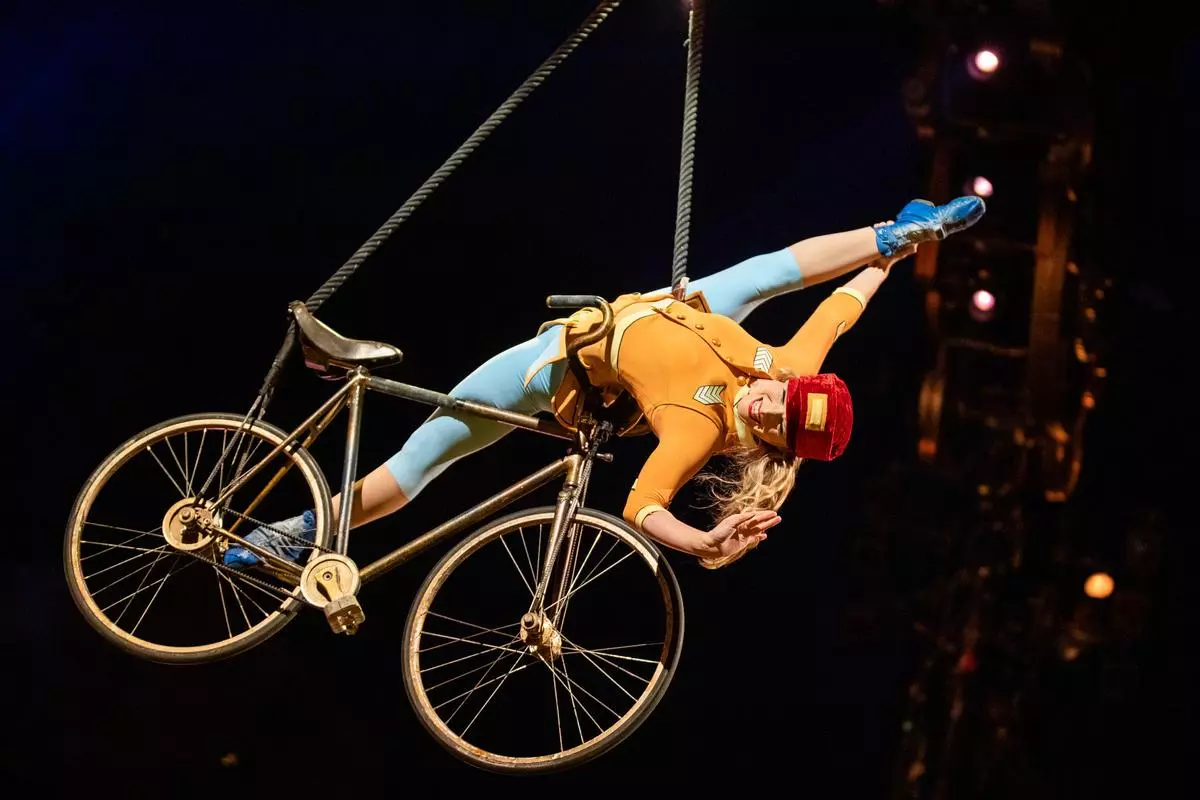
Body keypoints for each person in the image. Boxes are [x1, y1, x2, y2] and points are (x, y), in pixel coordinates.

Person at [225, 196, 985, 570]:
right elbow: (839, 310)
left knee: (418, 464)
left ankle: (298, 530)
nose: (768, 397)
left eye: (773, 416)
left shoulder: (698, 429)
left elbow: (643, 507)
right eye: (782, 395)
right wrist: (895, 250)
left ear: (774, 438)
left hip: (559, 367)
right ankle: (895, 227)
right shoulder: (788, 372)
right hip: (667, 310)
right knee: (756, 278)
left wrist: (702, 541)